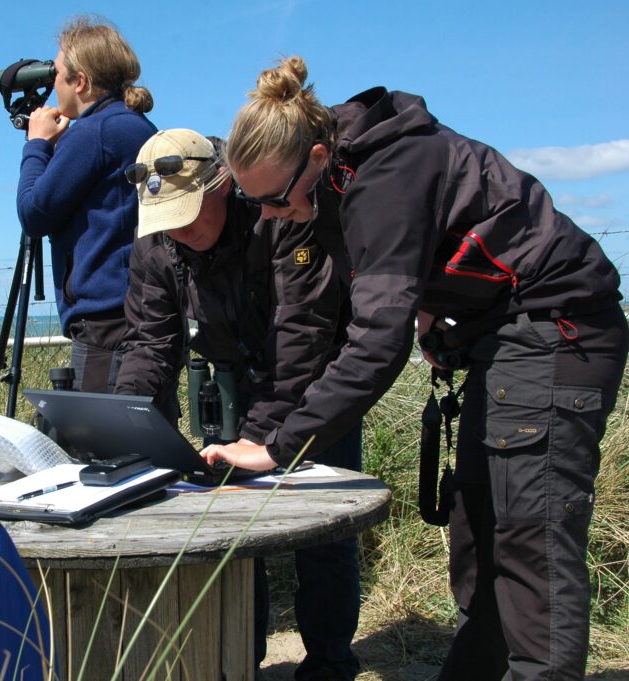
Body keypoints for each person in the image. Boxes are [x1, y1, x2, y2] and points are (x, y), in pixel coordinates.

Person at [207, 56, 628, 681]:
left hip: (558, 328)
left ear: (317, 155)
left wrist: (281, 447)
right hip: (500, 336)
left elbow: (377, 342)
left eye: (274, 200)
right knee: (480, 529)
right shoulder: (330, 186)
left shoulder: (386, 176)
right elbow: (322, 320)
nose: (267, 216)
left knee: (527, 535)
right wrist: (436, 314)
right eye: (253, 202)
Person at [115, 128, 362, 680]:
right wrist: (127, 421)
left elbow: (303, 340)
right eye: (166, 218)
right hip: (229, 392)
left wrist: (261, 437)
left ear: (223, 185)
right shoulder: (157, 242)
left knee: (324, 534)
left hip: (317, 392)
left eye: (188, 213)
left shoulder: (280, 211)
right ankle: (238, 664)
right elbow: (149, 344)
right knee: (229, 535)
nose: (178, 228)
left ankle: (328, 665)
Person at [16, 16, 156, 393]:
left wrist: (37, 145)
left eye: (57, 75)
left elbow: (33, 214)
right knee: (143, 433)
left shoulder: (93, 133)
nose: (52, 86)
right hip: (144, 312)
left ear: (81, 82)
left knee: (104, 444)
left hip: (104, 322)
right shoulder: (136, 125)